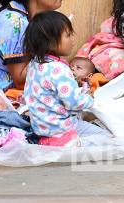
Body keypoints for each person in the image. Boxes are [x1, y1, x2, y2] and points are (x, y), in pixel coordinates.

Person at [23, 11, 110, 147]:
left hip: (41, 128)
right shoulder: (59, 69)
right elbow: (73, 102)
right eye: (68, 35)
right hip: (61, 127)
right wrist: (90, 100)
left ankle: (54, 140)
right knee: (105, 137)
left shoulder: (34, 64)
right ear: (51, 43)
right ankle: (71, 143)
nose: (73, 39)